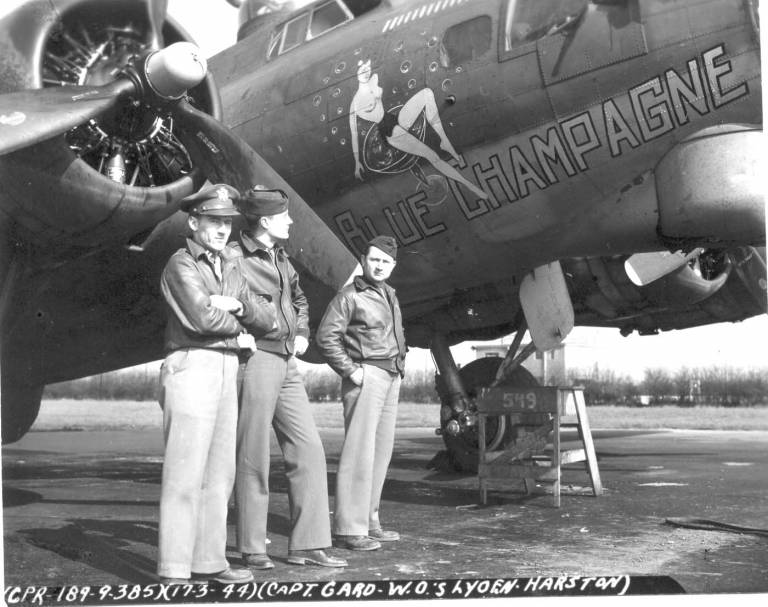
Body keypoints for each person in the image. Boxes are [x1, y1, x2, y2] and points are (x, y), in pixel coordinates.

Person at [157, 183, 276, 585]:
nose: (223, 229)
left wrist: (237, 305)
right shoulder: (181, 264)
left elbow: (266, 317)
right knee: (185, 473)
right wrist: (237, 331)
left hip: (225, 369)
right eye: (214, 221)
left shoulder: (228, 265)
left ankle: (209, 562)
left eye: (227, 222)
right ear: (194, 222)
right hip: (192, 365)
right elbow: (201, 318)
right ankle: (174, 569)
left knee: (219, 474)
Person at [232, 186, 348, 569]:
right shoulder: (234, 258)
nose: (292, 221)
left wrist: (300, 333)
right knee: (253, 455)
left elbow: (298, 300)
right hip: (256, 360)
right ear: (265, 221)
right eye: (284, 216)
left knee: (309, 449)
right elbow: (229, 302)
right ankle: (252, 547)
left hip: (286, 362)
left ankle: (308, 544)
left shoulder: (281, 258)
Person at [315, 235, 407, 551]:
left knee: (380, 453)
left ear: (393, 265)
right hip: (366, 376)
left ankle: (369, 521)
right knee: (358, 455)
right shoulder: (349, 296)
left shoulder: (389, 294)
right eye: (374, 259)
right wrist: (352, 371)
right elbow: (326, 337)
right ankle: (348, 528)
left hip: (391, 376)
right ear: (364, 261)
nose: (379, 266)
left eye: (386, 261)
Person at [349, 58, 487, 200]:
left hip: (395, 118)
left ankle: (444, 141)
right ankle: (470, 185)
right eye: (362, 70)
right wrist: (357, 162)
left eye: (367, 68)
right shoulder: (355, 104)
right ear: (356, 74)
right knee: (432, 156)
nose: (366, 72)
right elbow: (354, 134)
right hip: (391, 132)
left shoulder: (374, 79)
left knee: (427, 93)